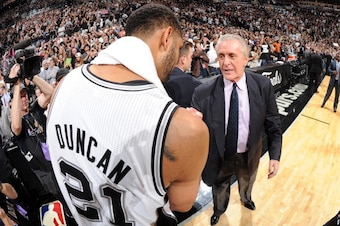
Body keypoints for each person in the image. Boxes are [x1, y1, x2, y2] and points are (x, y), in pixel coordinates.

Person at [47, 4, 209, 226]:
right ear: (167, 37)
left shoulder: (63, 85)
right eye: (179, 48)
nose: (175, 62)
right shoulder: (185, 129)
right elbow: (182, 204)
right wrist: (190, 141)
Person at [191, 34, 282, 225]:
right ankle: (219, 209)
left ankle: (246, 198)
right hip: (219, 155)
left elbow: (273, 122)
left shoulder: (262, 85)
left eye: (232, 56)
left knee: (247, 182)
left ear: (246, 59)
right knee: (220, 186)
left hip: (249, 154)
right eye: (221, 56)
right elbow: (194, 132)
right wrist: (189, 123)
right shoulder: (202, 91)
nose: (225, 62)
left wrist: (275, 155)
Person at [164, 40, 202, 108]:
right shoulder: (193, 84)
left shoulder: (158, 79)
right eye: (191, 57)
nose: (191, 60)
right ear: (183, 59)